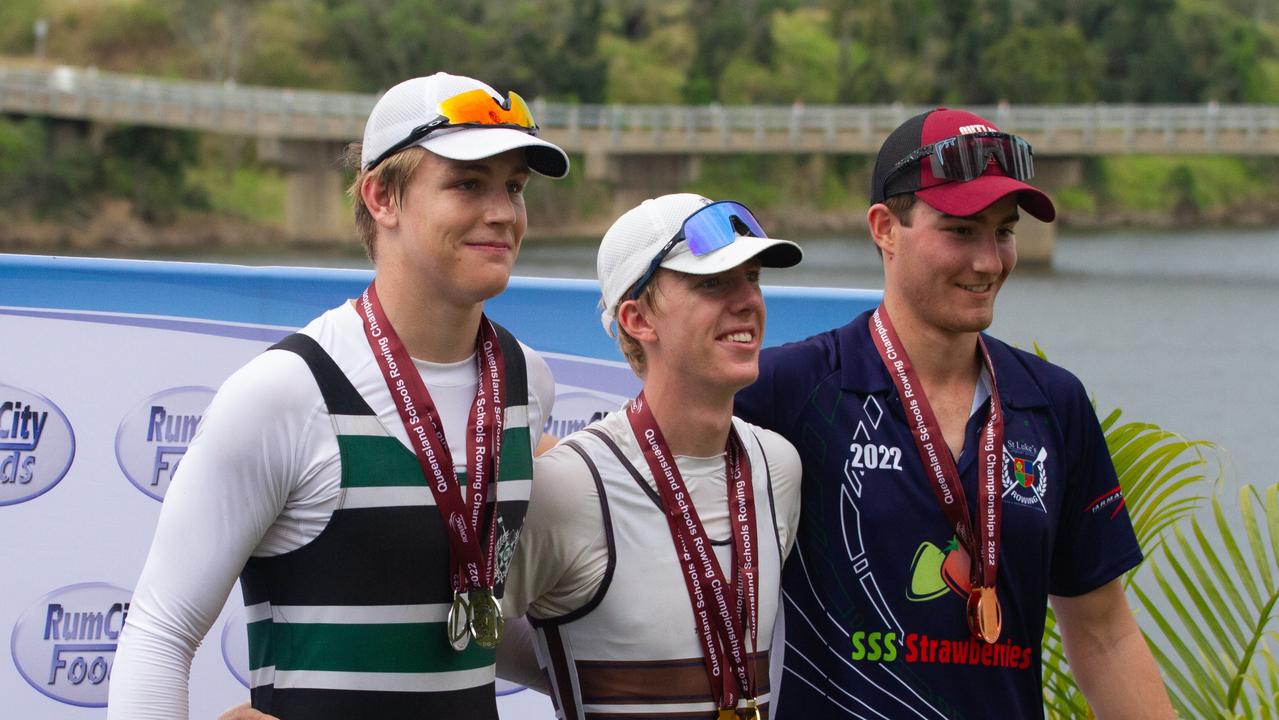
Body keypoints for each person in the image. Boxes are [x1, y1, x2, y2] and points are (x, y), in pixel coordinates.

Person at [108, 71, 569, 720]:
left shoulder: (526, 381)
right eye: (467, 184)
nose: (501, 212)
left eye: (513, 188)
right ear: (382, 197)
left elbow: (473, 620)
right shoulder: (287, 391)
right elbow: (159, 634)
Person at [735, 108, 1175, 719]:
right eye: (962, 230)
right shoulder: (789, 390)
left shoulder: (1053, 403)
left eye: (1003, 231)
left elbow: (1104, 634)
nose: (989, 262)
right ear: (885, 228)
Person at [500, 193, 805, 719]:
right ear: (637, 318)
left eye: (751, 277)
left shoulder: (777, 467)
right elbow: (457, 635)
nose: (746, 301)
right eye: (712, 283)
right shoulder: (570, 487)